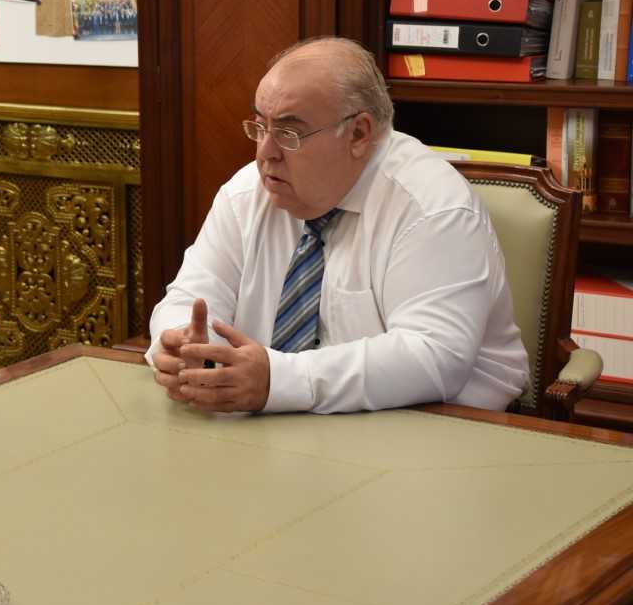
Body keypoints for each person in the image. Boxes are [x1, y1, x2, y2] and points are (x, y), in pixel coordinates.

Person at [147, 37, 529, 415]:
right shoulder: (247, 194)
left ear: (359, 133)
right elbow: (189, 296)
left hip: (436, 427)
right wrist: (186, 347)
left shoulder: (432, 207)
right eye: (260, 126)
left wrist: (281, 381)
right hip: (278, 425)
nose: (266, 153)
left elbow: (434, 359)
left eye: (288, 132)